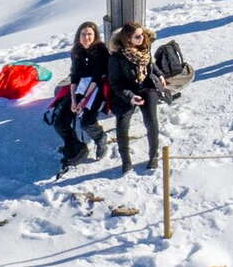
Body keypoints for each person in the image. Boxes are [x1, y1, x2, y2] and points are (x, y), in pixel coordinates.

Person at [48, 21, 111, 168]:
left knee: (87, 122)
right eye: (83, 34)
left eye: (89, 34)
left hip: (96, 87)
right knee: (60, 122)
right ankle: (74, 146)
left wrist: (83, 100)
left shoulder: (100, 50)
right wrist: (74, 99)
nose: (86, 37)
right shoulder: (76, 50)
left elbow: (97, 77)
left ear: (95, 36)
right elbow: (74, 75)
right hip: (79, 86)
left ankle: (100, 137)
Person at [105, 22, 163, 173]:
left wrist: (160, 75)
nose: (142, 38)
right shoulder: (117, 58)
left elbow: (151, 64)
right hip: (126, 92)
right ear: (128, 38)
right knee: (122, 124)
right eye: (137, 36)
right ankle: (126, 160)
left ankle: (154, 155)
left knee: (152, 121)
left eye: (142, 34)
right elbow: (115, 83)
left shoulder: (144, 48)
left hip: (147, 87)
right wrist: (130, 96)